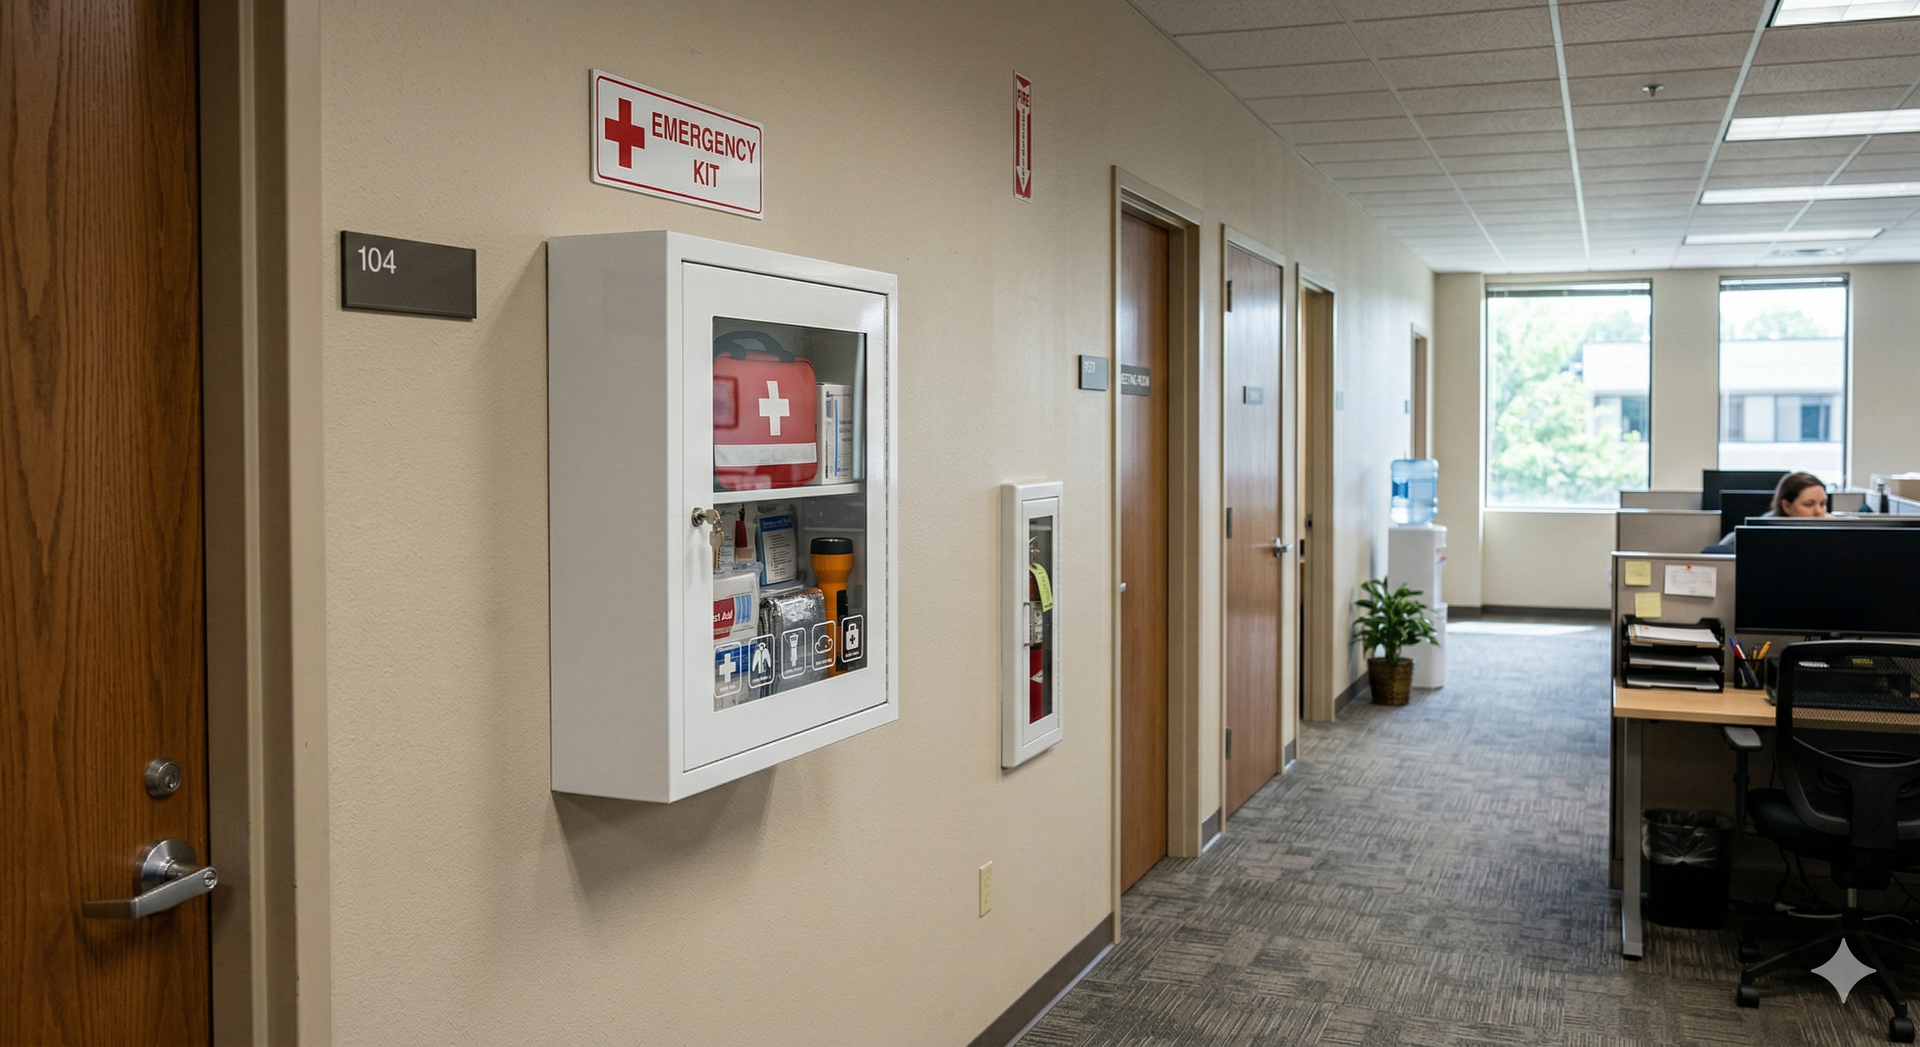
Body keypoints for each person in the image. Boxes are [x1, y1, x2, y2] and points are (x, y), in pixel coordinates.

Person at [1710, 471, 1831, 551]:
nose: (1819, 512)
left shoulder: (1830, 535)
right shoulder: (1756, 537)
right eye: (1809, 504)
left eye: (1823, 504)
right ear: (1786, 506)